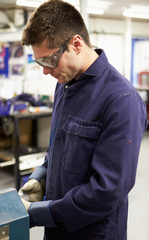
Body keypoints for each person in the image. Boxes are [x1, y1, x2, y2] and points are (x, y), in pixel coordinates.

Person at [19, 1, 148, 239]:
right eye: (40, 63)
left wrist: (38, 213)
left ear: (76, 44)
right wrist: (41, 176)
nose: (46, 71)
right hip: (57, 227)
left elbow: (107, 190)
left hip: (94, 232)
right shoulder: (65, 85)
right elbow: (58, 149)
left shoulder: (121, 100)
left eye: (49, 61)